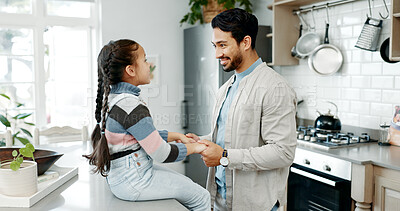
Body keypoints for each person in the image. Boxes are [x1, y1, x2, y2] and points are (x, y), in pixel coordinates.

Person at [186, 8, 297, 211]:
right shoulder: (226, 87)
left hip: (256, 205)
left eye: (223, 45)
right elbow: (230, 134)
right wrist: (200, 141)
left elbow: (283, 152)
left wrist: (224, 156)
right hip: (220, 199)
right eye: (215, 46)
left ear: (245, 42)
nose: (217, 54)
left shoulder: (274, 87)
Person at [84, 39, 210, 211]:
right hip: (135, 181)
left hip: (123, 179)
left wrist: (176, 136)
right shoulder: (131, 105)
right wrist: (196, 148)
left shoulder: (115, 99)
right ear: (130, 70)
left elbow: (140, 135)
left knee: (188, 186)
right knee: (201, 196)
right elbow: (162, 153)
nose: (149, 64)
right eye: (144, 60)